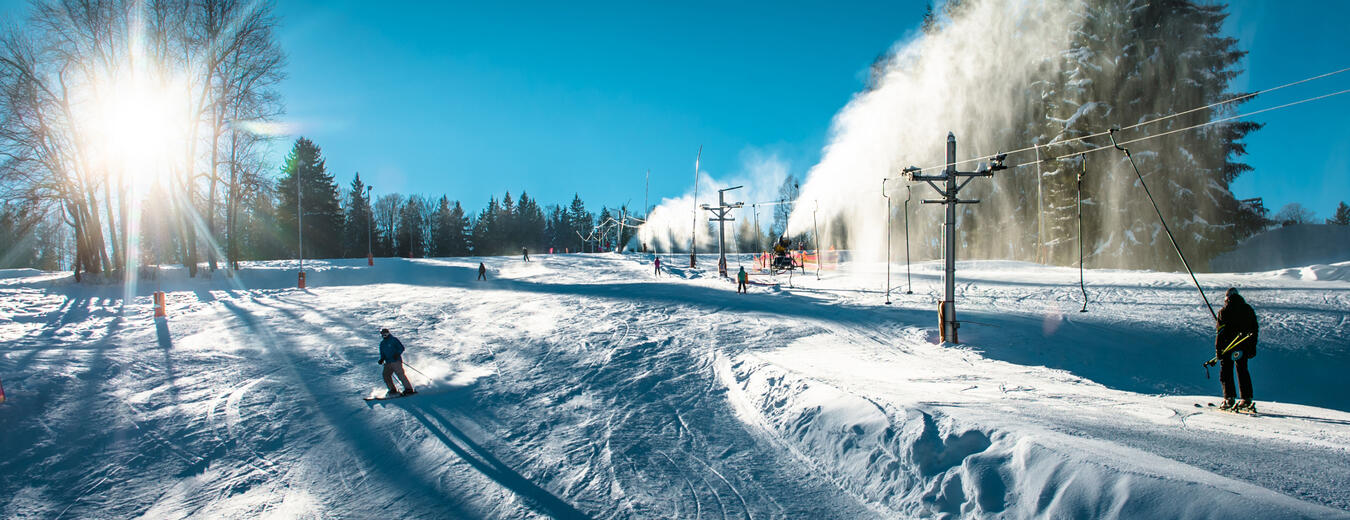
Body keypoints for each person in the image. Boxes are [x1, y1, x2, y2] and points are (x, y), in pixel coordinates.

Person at [1215, 287, 1258, 412]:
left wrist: (1218, 350)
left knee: (1226, 371)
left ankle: (1229, 398)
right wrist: (1252, 347)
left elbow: (1220, 333)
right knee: (1242, 370)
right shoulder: (1248, 310)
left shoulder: (1224, 311)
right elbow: (1254, 330)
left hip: (1228, 347)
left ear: (1227, 298)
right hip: (1243, 346)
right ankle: (1246, 398)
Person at [378, 328, 416, 396]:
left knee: (400, 374)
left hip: (396, 361)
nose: (384, 335)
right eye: (382, 334)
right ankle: (392, 389)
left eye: (385, 333)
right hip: (388, 362)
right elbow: (382, 353)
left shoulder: (393, 340)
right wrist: (381, 359)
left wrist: (397, 354)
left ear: (388, 333)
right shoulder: (382, 343)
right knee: (386, 375)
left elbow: (401, 348)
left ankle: (409, 389)